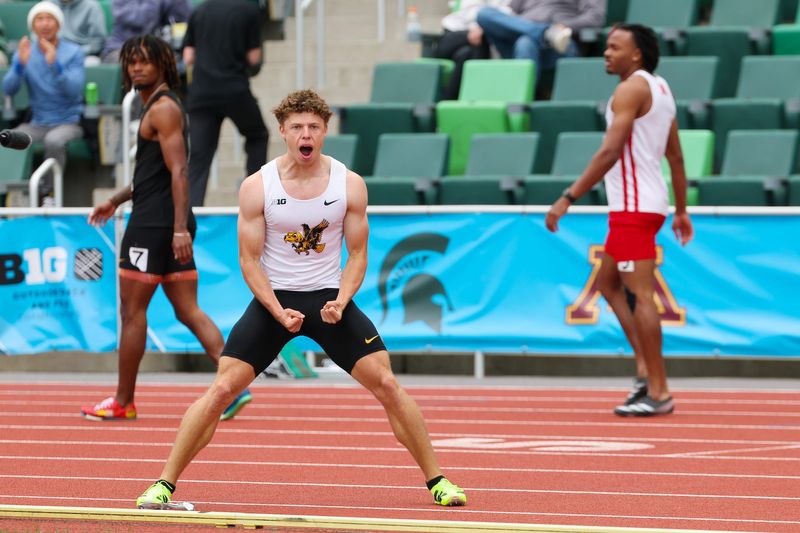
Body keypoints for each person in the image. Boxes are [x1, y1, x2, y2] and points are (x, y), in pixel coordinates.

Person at [135, 89, 467, 509]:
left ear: (325, 131)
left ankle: (438, 480)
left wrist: (342, 300)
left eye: (313, 127)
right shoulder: (258, 186)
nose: (305, 134)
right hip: (275, 301)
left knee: (387, 384)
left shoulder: (349, 184)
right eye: (297, 127)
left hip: (329, 302)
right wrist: (276, 310)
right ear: (283, 132)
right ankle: (163, 484)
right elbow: (249, 260)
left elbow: (358, 255)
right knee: (221, 390)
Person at [82, 35, 251, 422]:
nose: (137, 67)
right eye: (132, 62)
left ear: (163, 65)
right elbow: (153, 175)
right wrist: (116, 200)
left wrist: (177, 229)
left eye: (145, 61)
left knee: (132, 312)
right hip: (166, 219)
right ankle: (235, 387)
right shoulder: (161, 106)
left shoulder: (162, 108)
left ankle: (123, 401)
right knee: (188, 310)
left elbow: (179, 171)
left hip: (154, 225)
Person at [545, 23, 693, 417]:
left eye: (614, 47)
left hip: (633, 208)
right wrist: (680, 210)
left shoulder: (630, 89)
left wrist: (567, 198)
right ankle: (645, 370)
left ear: (637, 54)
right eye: (607, 47)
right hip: (647, 205)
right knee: (608, 284)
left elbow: (610, 151)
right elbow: (676, 157)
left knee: (641, 295)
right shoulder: (661, 88)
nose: (606, 53)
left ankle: (659, 391)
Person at [182, 0, 268, 207]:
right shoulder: (249, 10)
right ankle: (254, 201)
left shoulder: (199, 11)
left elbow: (188, 57)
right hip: (234, 91)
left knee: (199, 157)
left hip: (201, 93)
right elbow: (254, 57)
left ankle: (191, 213)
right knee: (258, 135)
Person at [1, 1, 84, 205]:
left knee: (54, 140)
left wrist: (55, 64)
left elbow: (74, 91)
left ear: (58, 24)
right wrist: (19, 65)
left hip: (69, 122)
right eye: (39, 19)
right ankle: (11, 197)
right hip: (38, 123)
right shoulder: (25, 51)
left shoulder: (73, 51)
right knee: (8, 139)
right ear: (33, 25)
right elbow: (8, 89)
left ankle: (49, 196)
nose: (45, 24)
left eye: (49, 19)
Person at [476, 0, 605, 81]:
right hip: (520, 35)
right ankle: (544, 33)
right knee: (484, 14)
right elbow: (509, 12)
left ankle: (520, 107)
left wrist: (566, 25)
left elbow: (596, 18)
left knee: (526, 43)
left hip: (560, 44)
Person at [435, 0, 512, 100]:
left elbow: (506, 12)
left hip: (480, 38)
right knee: (475, 45)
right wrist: (476, 30)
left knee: (466, 53)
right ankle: (468, 101)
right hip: (453, 35)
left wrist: (483, 27)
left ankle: (449, 103)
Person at [101, 0, 191, 64]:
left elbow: (182, 20)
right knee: (148, 62)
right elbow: (143, 19)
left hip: (158, 49)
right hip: (121, 49)